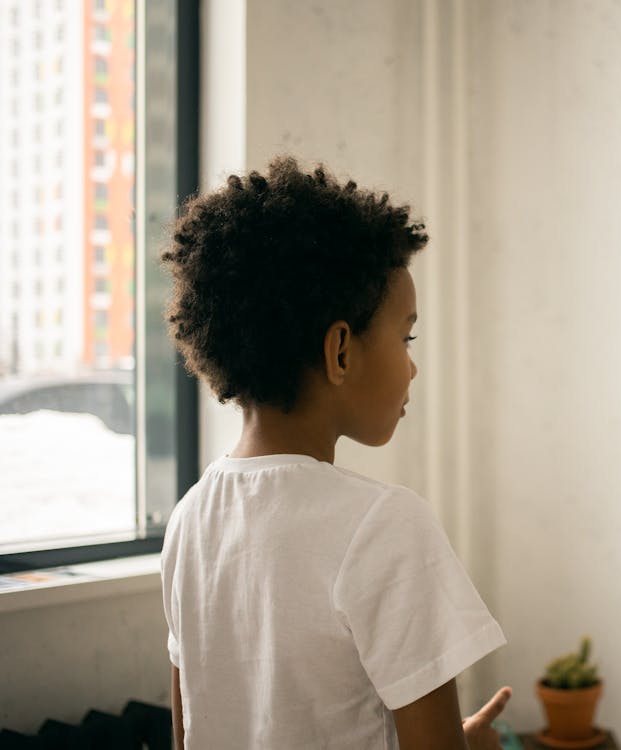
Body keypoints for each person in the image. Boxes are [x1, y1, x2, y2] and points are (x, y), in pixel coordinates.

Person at [160, 157, 511, 749]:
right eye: (406, 337)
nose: (413, 364)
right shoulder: (384, 526)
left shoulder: (189, 519)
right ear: (341, 351)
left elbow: (188, 735)